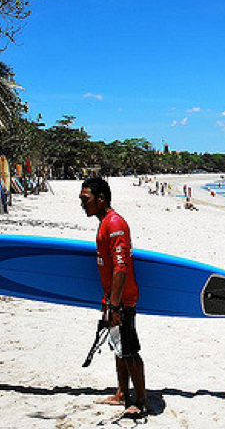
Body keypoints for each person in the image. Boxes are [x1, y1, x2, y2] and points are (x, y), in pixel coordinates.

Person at [79, 177, 147, 418]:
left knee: (129, 350)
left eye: (85, 200)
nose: (82, 204)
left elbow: (121, 267)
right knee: (118, 347)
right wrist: (108, 301)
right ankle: (121, 393)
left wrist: (116, 305)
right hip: (112, 298)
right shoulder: (104, 223)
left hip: (123, 300)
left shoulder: (115, 223)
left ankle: (140, 401)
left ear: (101, 199)